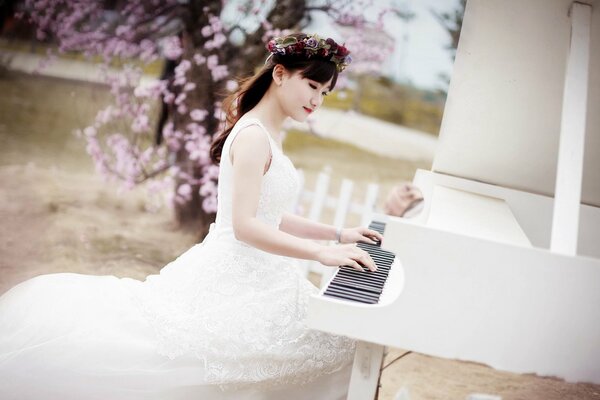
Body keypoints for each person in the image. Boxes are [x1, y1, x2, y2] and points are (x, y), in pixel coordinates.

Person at [0, 32, 384, 400]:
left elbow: (272, 214)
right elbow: (246, 226)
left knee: (322, 352)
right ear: (280, 74)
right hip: (237, 273)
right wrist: (319, 253)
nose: (317, 100)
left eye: (325, 93)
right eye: (312, 86)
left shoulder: (270, 131)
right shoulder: (253, 136)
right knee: (187, 363)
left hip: (262, 275)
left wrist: (339, 233)